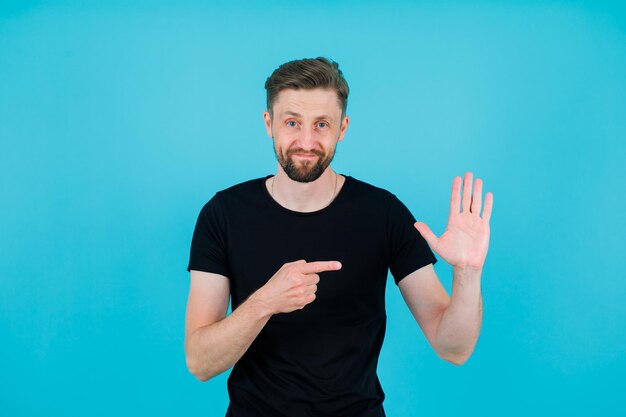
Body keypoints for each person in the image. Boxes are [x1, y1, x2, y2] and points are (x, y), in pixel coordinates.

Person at [184, 57, 493, 417]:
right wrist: (264, 302)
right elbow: (199, 362)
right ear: (268, 123)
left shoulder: (383, 213)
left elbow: (453, 347)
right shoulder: (223, 215)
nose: (306, 140)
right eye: (292, 122)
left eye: (321, 125)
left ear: (342, 128)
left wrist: (468, 272)